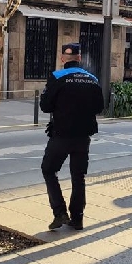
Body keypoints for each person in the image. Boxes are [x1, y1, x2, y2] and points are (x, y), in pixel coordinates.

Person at [40, 42, 104, 231]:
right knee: (78, 177)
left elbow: (45, 106)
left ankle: (59, 213)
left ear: (62, 59)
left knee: (49, 170)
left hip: (61, 135)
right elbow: (100, 107)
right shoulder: (92, 79)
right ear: (79, 58)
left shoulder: (57, 77)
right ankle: (77, 219)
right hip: (83, 137)